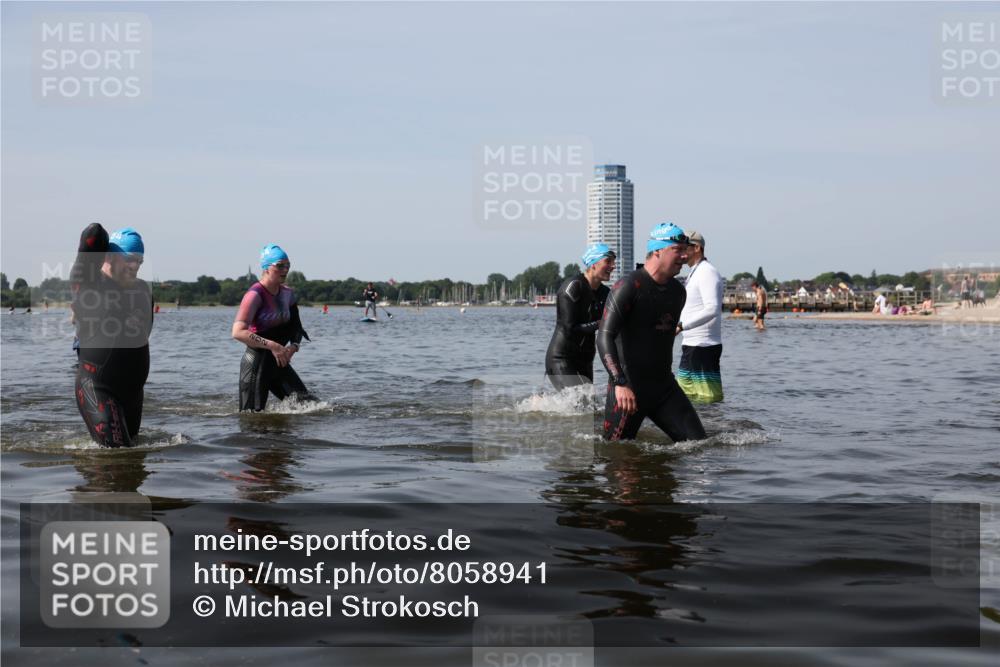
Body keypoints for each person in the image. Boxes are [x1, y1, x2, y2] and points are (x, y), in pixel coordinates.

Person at [597, 223, 707, 442]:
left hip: (664, 388)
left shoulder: (677, 292)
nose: (684, 257)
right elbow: (604, 336)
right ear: (658, 250)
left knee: (700, 447)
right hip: (628, 389)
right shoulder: (628, 286)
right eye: (678, 250)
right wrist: (619, 382)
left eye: (686, 251)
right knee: (617, 457)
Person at [71, 224, 153, 447]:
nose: (135, 265)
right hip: (99, 388)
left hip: (133, 393)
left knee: (132, 464)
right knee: (116, 459)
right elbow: (92, 234)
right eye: (129, 259)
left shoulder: (143, 290)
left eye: (140, 260)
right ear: (108, 256)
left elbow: (144, 334)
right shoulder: (90, 284)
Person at [232, 244, 313, 411]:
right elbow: (238, 332)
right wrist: (273, 346)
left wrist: (293, 347)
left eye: (288, 265)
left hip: (279, 361)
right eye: (280, 265)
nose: (285, 269)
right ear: (266, 268)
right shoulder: (254, 295)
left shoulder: (288, 294)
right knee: (252, 418)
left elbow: (296, 327)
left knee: (308, 406)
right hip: (256, 363)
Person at [544, 243, 616, 390]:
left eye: (613, 262)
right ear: (593, 264)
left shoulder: (605, 292)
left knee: (590, 408)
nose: (613, 266)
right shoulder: (573, 287)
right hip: (561, 358)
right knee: (579, 403)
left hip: (586, 360)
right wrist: (602, 323)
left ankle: (541, 403)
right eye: (608, 261)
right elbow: (570, 329)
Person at [676, 231, 724, 403]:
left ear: (696, 248)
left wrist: (682, 326)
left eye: (684, 248)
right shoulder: (694, 272)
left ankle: (715, 430)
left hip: (703, 345)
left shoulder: (707, 272)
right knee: (685, 397)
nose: (680, 252)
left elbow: (712, 309)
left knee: (708, 399)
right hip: (691, 345)